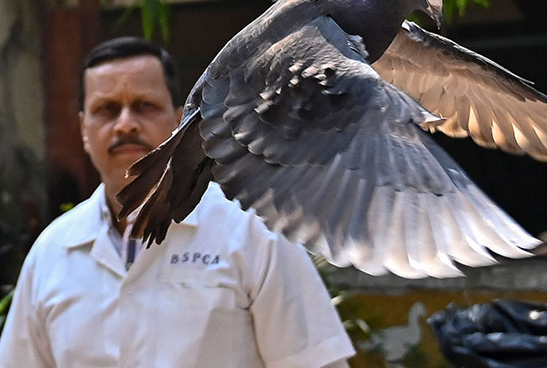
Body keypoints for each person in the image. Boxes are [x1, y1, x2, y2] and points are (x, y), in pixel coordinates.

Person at [0, 37, 355, 368]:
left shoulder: (252, 231)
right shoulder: (51, 253)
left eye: (144, 105)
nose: (125, 124)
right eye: (107, 109)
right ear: (83, 129)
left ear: (178, 118)